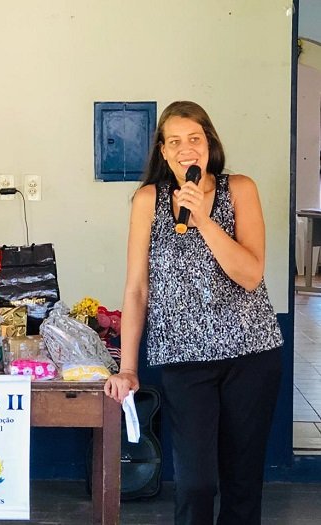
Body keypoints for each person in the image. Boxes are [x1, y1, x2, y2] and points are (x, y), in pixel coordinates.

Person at [104, 101, 283, 525]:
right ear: (163, 152)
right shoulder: (148, 200)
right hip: (183, 359)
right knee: (196, 483)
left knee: (242, 481)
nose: (186, 148)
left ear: (209, 144)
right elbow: (137, 289)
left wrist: (203, 219)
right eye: (175, 141)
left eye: (195, 138)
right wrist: (128, 368)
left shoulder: (240, 189)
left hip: (251, 353)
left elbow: (250, 275)